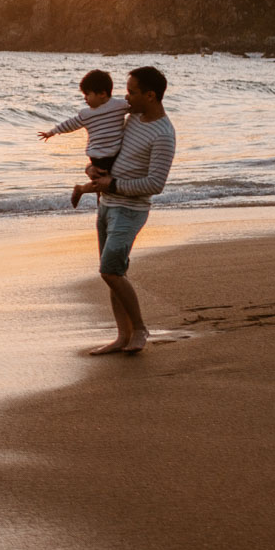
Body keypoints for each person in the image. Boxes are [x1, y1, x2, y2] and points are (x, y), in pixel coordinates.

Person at [86, 66, 176, 355]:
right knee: (112, 273)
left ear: (150, 95)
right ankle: (122, 336)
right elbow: (110, 146)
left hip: (130, 209)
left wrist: (113, 183)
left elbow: (155, 183)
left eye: (132, 92)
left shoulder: (163, 134)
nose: (126, 97)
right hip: (106, 204)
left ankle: (139, 329)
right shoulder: (133, 117)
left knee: (110, 270)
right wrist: (94, 168)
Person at [38, 69, 131, 207]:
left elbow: (135, 106)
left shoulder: (119, 105)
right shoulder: (86, 114)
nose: (85, 98)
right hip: (98, 156)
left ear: (102, 94)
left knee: (104, 184)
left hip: (116, 154)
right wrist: (52, 132)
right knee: (102, 184)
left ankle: (82, 191)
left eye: (87, 94)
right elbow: (71, 124)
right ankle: (92, 198)